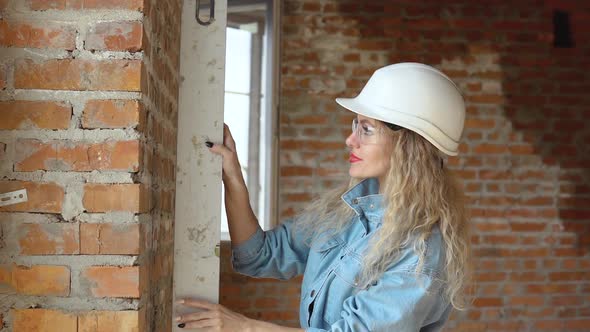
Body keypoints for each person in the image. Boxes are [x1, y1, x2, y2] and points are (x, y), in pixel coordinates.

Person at [176, 62, 471, 331]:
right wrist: (233, 178)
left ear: (408, 146)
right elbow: (259, 255)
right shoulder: (348, 212)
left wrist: (242, 327)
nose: (350, 139)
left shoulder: (421, 252)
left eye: (366, 129)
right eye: (355, 125)